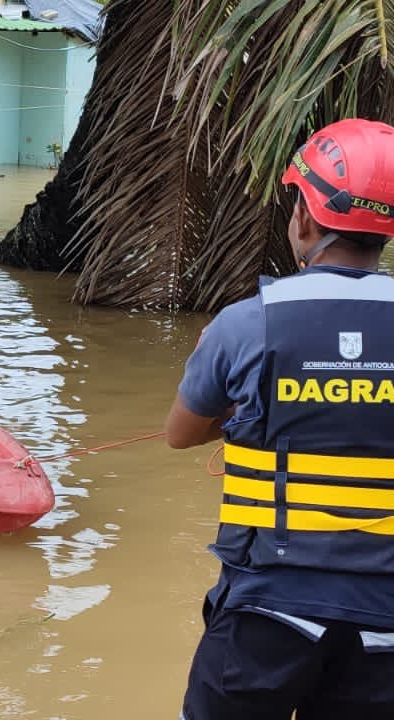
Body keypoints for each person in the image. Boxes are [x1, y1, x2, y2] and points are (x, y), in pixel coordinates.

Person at [165, 118, 394, 720]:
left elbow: (180, 434)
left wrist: (252, 406)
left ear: (305, 218)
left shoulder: (246, 323)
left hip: (267, 612)